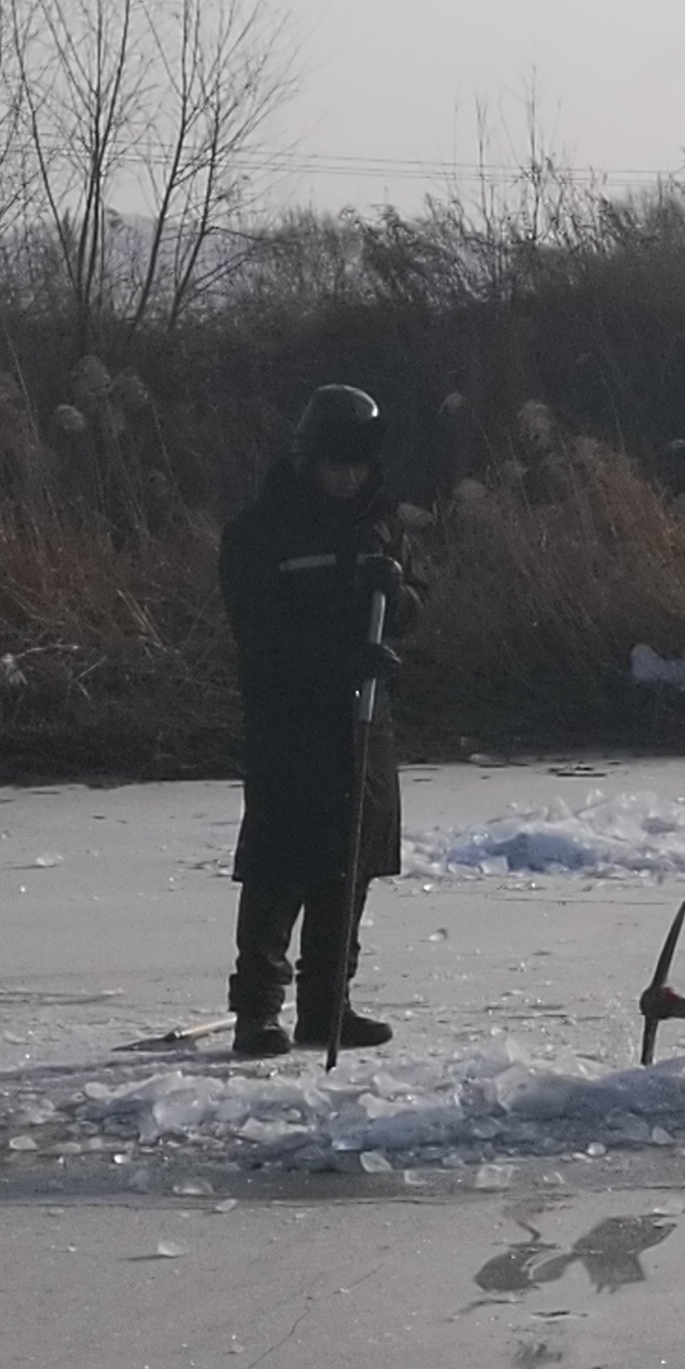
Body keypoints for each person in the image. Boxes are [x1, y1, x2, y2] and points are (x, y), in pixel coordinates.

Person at [219, 384, 423, 1059]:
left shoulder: (380, 526)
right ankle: (256, 1012)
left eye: (358, 465)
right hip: (290, 723)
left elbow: (413, 610)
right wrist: (342, 660)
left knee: (349, 864)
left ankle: (327, 1009)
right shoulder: (260, 532)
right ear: (309, 458)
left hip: (363, 725)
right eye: (337, 464)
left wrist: (398, 596)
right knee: (279, 870)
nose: (348, 478)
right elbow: (262, 636)